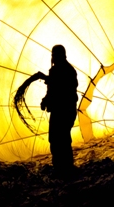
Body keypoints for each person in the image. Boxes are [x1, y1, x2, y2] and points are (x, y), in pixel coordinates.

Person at [37, 45, 78, 177]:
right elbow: (52, 92)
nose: (53, 58)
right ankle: (60, 167)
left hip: (65, 111)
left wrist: (48, 79)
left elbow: (65, 88)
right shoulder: (54, 71)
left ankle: (66, 168)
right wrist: (45, 101)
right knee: (55, 139)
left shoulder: (68, 71)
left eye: (55, 55)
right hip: (58, 111)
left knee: (63, 139)